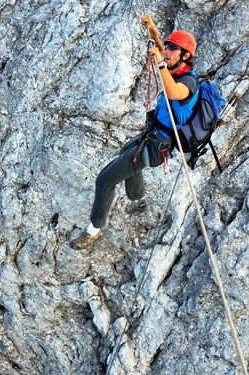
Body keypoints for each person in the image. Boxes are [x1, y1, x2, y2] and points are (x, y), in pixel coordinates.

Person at [69, 14, 199, 251]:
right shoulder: (177, 69)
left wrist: (160, 63)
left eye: (172, 49)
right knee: (125, 154)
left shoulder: (188, 82)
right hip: (152, 136)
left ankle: (93, 231)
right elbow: (163, 51)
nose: (166, 51)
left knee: (104, 180)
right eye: (166, 48)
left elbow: (173, 94)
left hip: (157, 145)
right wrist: (153, 30)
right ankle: (139, 201)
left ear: (185, 56)